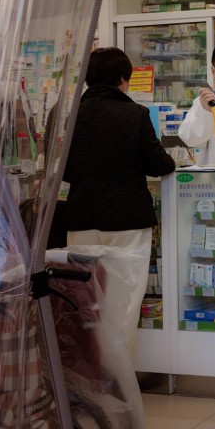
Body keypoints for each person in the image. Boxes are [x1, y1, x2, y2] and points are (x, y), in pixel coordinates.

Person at [63, 47, 176, 347]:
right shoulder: (134, 114)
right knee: (124, 301)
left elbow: (64, 170)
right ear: (123, 79)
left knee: (87, 301)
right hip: (127, 221)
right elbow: (159, 164)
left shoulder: (70, 116)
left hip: (81, 220)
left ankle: (86, 375)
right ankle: (118, 379)